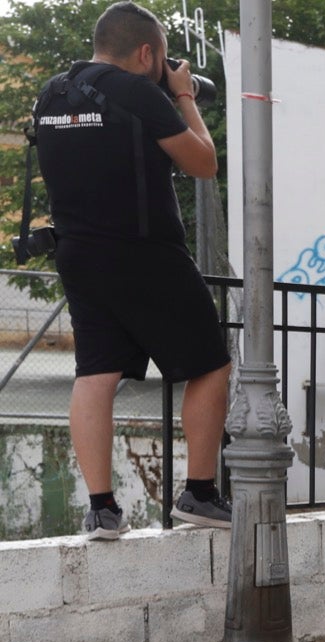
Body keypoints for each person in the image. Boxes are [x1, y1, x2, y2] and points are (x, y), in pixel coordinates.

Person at [33, 1, 232, 539]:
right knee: (211, 364)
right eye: (162, 58)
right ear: (148, 53)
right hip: (144, 253)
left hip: (77, 253)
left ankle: (101, 510)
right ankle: (200, 492)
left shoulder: (52, 94)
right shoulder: (138, 92)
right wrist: (185, 96)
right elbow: (203, 163)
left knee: (95, 375)